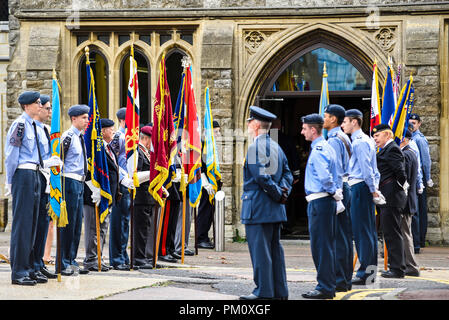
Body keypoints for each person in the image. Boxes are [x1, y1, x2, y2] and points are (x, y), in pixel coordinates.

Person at [5, 91, 60, 286]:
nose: (40, 105)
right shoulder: (20, 125)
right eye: (37, 103)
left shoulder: (37, 127)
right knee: (23, 225)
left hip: (37, 174)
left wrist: (50, 162)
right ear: (27, 106)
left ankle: (29, 268)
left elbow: (41, 155)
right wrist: (10, 182)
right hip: (24, 175)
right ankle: (19, 271)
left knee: (35, 225)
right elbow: (12, 155)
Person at [239, 106, 293, 300]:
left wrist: (278, 194)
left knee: (261, 253)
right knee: (275, 252)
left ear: (254, 125)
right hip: (275, 208)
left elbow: (261, 177)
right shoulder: (276, 145)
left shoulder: (254, 147)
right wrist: (283, 192)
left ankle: (263, 292)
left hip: (258, 208)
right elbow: (287, 173)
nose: (247, 126)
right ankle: (279, 292)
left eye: (248, 122)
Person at [301, 113, 339, 299]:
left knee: (321, 246)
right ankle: (328, 284)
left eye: (304, 128)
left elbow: (325, 177)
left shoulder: (319, 149)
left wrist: (332, 191)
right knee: (326, 245)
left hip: (320, 200)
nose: (302, 132)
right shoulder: (328, 146)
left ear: (313, 130)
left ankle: (324, 287)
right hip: (325, 200)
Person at [341, 109, 380, 285]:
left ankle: (365, 272)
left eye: (345, 122)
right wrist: (374, 189)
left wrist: (373, 190)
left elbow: (366, 170)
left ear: (355, 122)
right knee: (369, 232)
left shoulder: (359, 142)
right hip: (364, 187)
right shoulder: (367, 140)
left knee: (362, 232)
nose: (343, 125)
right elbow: (374, 170)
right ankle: (369, 273)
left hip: (359, 186)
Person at [82, 118, 125, 271]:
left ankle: (98, 257)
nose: (113, 131)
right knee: (93, 229)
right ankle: (91, 259)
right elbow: (88, 170)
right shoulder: (95, 149)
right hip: (94, 195)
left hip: (108, 196)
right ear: (102, 131)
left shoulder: (109, 148)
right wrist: (94, 189)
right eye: (110, 128)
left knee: (102, 228)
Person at [323, 104, 353, 292]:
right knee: (344, 235)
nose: (323, 119)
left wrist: (335, 196)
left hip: (339, 187)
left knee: (338, 237)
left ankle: (340, 279)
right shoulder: (342, 136)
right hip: (345, 185)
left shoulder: (334, 139)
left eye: (325, 116)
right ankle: (345, 278)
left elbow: (333, 169)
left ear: (333, 119)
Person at [372, 124, 408, 278]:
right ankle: (397, 266)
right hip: (387, 197)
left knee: (392, 233)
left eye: (377, 136)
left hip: (391, 197)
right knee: (390, 232)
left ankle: (397, 269)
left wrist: (397, 188)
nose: (375, 139)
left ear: (387, 135)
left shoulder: (392, 149)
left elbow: (400, 173)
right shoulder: (386, 149)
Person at [59, 104, 91, 276]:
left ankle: (71, 259)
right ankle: (63, 261)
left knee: (77, 224)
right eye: (84, 118)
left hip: (79, 182)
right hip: (69, 181)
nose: (87, 121)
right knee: (68, 223)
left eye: (87, 117)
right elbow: (59, 159)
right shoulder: (68, 137)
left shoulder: (79, 137)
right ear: (74, 119)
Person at [33, 94, 58, 281]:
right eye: (48, 108)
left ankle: (40, 262)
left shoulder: (48, 130)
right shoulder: (28, 127)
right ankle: (31, 264)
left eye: (51, 109)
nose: (50, 112)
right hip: (35, 179)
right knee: (34, 225)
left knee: (45, 224)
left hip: (47, 181)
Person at [109, 107, 133, 271]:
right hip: (121, 183)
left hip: (130, 183)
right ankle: (116, 257)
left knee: (125, 221)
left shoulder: (131, 136)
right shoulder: (118, 137)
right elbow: (114, 160)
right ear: (123, 120)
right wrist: (124, 178)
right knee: (119, 221)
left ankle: (123, 255)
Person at [132, 125, 156, 269]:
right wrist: (152, 174)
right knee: (140, 229)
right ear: (145, 139)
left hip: (148, 197)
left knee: (146, 228)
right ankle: (138, 258)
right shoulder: (138, 152)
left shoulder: (146, 152)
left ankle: (144, 256)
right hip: (140, 197)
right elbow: (136, 175)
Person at [271, 118, 301, 235]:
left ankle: (277, 225)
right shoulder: (286, 138)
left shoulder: (268, 138)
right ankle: (286, 225)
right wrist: (296, 174)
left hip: (271, 176)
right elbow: (294, 157)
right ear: (280, 126)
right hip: (285, 175)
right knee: (286, 199)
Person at [409, 113, 433, 252]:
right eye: (410, 122)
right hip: (415, 176)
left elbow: (425, 161)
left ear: (419, 124)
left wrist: (427, 177)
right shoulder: (411, 137)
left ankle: (420, 240)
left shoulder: (419, 139)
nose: (412, 124)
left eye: (414, 122)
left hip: (420, 177)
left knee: (420, 209)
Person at [197, 120, 222, 249]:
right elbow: (200, 165)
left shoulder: (211, 145)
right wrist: (206, 183)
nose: (218, 134)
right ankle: (200, 238)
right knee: (204, 210)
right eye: (216, 131)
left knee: (209, 211)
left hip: (212, 182)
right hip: (206, 182)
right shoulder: (203, 144)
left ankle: (204, 236)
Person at [399, 129, 420, 277]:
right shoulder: (411, 153)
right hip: (409, 199)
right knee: (406, 232)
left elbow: (403, 179)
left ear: (404, 139)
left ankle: (411, 265)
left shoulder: (406, 155)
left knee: (405, 233)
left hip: (405, 200)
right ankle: (405, 263)